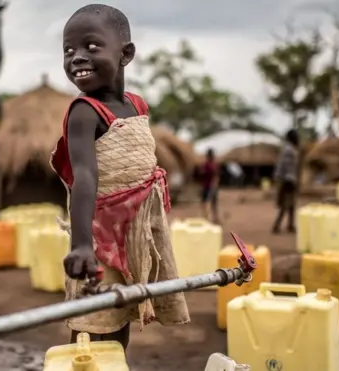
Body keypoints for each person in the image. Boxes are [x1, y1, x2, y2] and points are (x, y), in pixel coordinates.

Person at [49, 4, 190, 351]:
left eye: (91, 47)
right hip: (101, 236)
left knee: (122, 315)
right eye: (69, 51)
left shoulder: (136, 105)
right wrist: (82, 245)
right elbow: (84, 176)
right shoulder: (84, 112)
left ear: (125, 54)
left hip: (138, 231)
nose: (77, 58)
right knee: (94, 324)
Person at [272, 128, 299, 234]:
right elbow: (288, 167)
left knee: (291, 204)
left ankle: (290, 225)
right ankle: (277, 225)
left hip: (286, 179)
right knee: (286, 204)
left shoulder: (287, 149)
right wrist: (291, 180)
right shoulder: (290, 151)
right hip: (288, 180)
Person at [199, 148, 220, 223]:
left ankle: (214, 218)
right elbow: (201, 174)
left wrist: (215, 184)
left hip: (212, 186)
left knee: (214, 203)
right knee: (206, 202)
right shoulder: (206, 165)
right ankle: (206, 218)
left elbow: (216, 175)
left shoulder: (213, 165)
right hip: (207, 186)